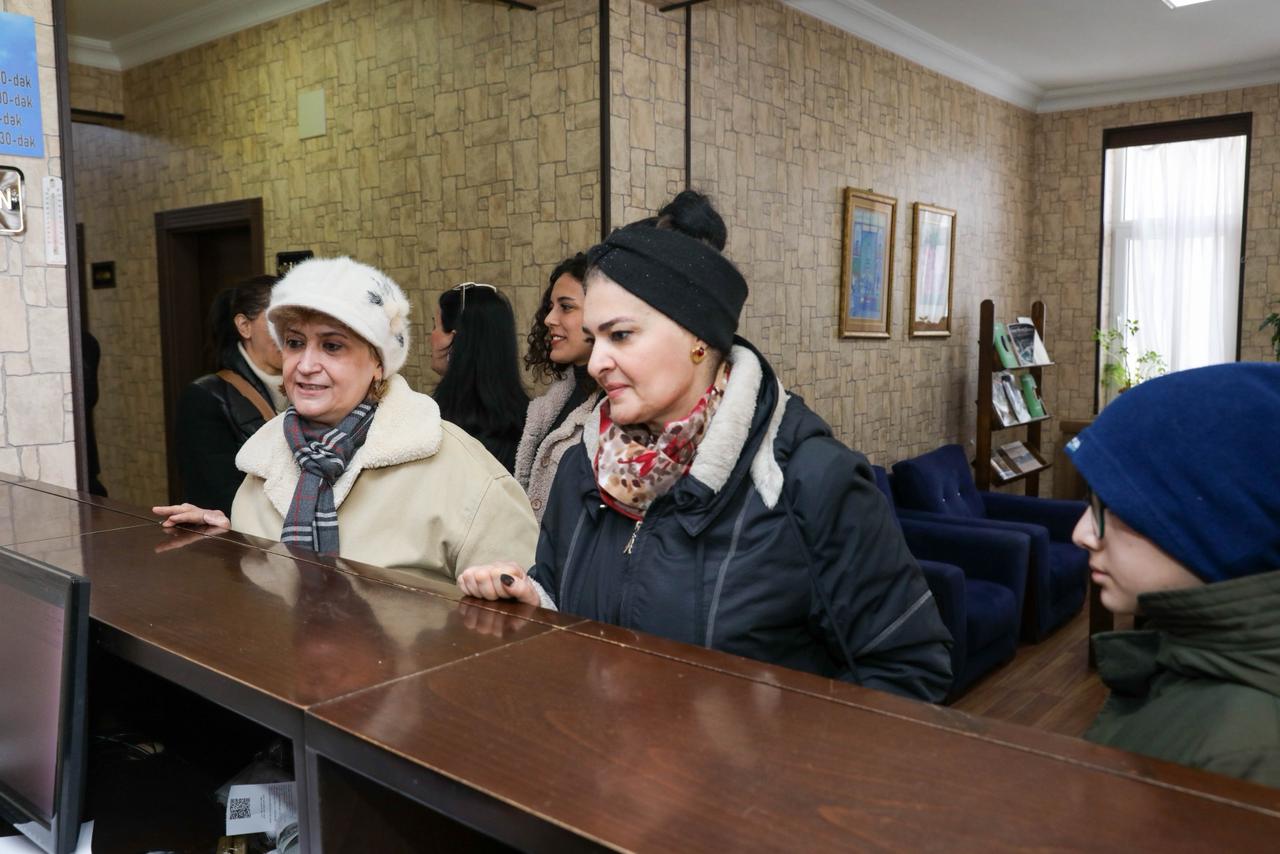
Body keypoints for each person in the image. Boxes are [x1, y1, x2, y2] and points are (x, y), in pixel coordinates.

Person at [459, 221, 952, 702]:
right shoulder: (581, 467)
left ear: (697, 337)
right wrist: (535, 602)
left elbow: (909, 668)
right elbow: (566, 599)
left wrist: (762, 752)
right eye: (595, 337)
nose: (597, 361)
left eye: (621, 335)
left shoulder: (809, 479)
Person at [155, 257, 539, 581]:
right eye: (295, 343)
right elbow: (264, 606)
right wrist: (231, 543)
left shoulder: (457, 468)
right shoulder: (262, 466)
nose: (306, 365)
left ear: (378, 361)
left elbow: (529, 614)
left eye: (332, 345)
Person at [1067, 362, 1280, 786]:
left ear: (1215, 525)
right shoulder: (1194, 659)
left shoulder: (1243, 756)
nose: (1081, 534)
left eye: (1112, 507)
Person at [174, 275, 285, 514]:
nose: (289, 333)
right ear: (244, 326)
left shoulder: (312, 389)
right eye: (277, 320)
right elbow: (217, 496)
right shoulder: (204, 398)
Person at [514, 253, 601, 520]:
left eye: (566, 307)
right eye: (551, 307)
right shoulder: (555, 401)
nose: (549, 319)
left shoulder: (614, 411)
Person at [429, 282, 528, 473]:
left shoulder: (445, 430)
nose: (431, 336)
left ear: (457, 340)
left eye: (435, 326)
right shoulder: (526, 422)